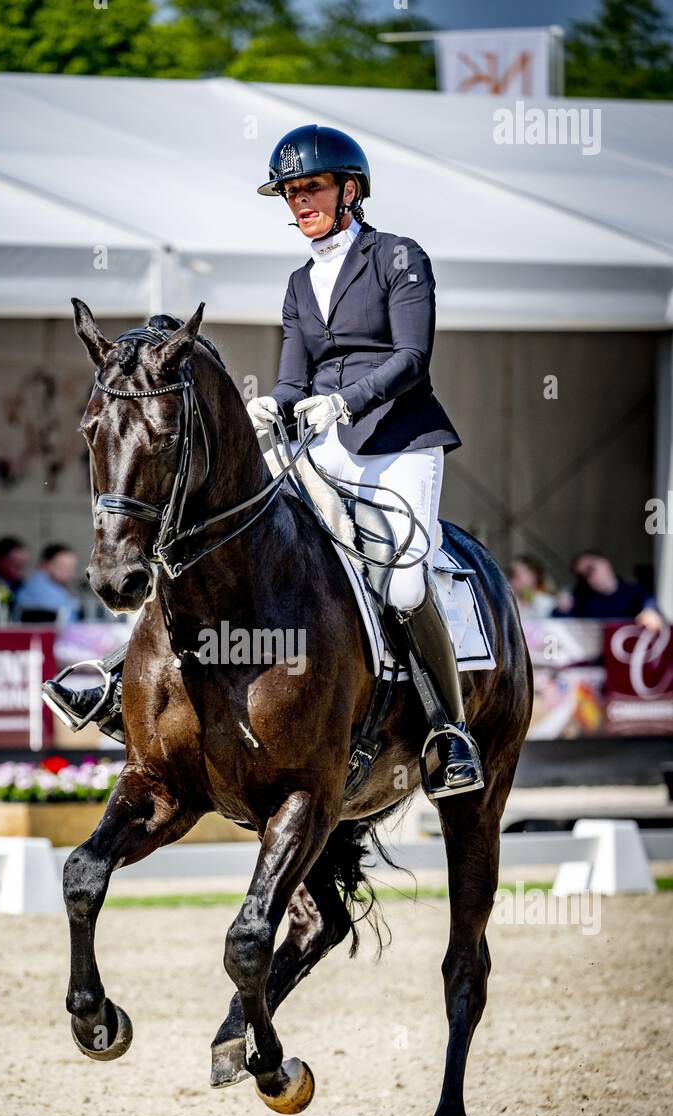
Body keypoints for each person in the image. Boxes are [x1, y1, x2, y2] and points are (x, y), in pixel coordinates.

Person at [45, 124, 481, 795]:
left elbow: (411, 358)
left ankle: (445, 731)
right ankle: (116, 677)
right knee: (223, 544)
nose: (298, 201)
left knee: (402, 583)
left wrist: (343, 402)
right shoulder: (299, 284)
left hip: (397, 446)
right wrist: (271, 407)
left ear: (349, 191)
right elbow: (292, 378)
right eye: (289, 192)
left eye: (310, 188)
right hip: (318, 446)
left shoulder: (399, 258)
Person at [554, 550, 663, 632]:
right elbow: (560, 629)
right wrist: (562, 610)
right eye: (582, 577)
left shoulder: (636, 593)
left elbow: (652, 609)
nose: (588, 578)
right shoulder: (579, 599)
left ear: (605, 563)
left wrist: (651, 613)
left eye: (590, 569)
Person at [15, 544, 80, 620]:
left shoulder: (53, 586)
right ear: (45, 565)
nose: (70, 572)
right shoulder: (38, 587)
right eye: (63, 566)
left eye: (72, 567)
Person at [507, 554, 555, 619]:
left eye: (517, 576)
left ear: (534, 576)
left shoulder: (546, 602)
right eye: (510, 575)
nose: (511, 580)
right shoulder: (508, 602)